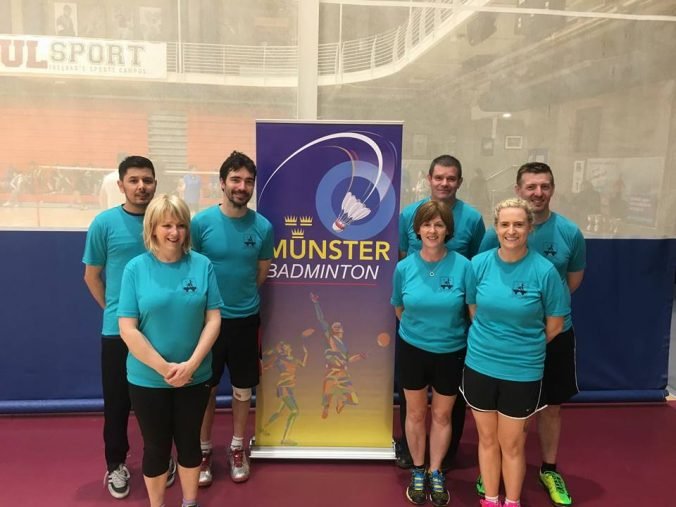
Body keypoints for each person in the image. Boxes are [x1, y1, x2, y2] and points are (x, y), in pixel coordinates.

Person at [477, 163, 585, 506]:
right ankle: (496, 469)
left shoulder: (569, 232)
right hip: (504, 344)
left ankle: (548, 469)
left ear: (552, 189)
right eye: (531, 186)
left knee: (551, 406)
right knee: (507, 417)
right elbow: (483, 288)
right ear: (519, 190)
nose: (538, 192)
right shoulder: (494, 235)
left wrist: (533, 327)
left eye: (545, 186)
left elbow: (571, 282)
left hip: (552, 334)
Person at [463, 198, 570, 507]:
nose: (512, 230)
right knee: (487, 440)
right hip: (480, 365)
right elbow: (473, 309)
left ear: (529, 228)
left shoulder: (545, 271)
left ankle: (512, 501)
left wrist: (521, 345)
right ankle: (490, 499)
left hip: (522, 371)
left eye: (519, 224)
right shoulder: (478, 264)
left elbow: (554, 325)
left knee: (511, 445)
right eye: (505, 224)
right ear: (496, 228)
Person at [118, 194, 222, 507]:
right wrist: (165, 369)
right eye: (166, 225)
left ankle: (190, 502)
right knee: (156, 448)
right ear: (152, 228)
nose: (174, 232)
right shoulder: (135, 269)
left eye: (180, 225)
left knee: (190, 443)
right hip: (148, 380)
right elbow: (127, 328)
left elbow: (213, 319)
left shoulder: (202, 265)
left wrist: (191, 365)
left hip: (195, 377)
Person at [83, 156, 172, 498]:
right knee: (118, 402)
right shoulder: (104, 224)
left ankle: (160, 457)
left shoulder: (167, 222)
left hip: (162, 329)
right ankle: (116, 464)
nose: (141, 186)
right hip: (118, 333)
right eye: (133, 180)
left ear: (155, 184)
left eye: (147, 180)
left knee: (160, 401)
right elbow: (91, 276)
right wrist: (116, 313)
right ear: (121, 185)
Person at [397, 154, 485, 470]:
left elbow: (478, 264)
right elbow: (403, 258)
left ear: (459, 182)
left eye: (451, 178)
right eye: (439, 177)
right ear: (429, 178)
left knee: (448, 406)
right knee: (413, 403)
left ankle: (444, 458)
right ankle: (413, 454)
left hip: (453, 326)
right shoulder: (409, 214)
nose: (444, 183)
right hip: (417, 322)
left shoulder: (472, 219)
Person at [191, 151, 274, 485]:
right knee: (206, 390)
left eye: (248, 181)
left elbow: (260, 272)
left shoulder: (263, 227)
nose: (242, 187)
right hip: (207, 324)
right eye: (236, 180)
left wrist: (239, 300)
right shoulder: (200, 224)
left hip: (245, 322)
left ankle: (238, 447)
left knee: (242, 390)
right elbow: (192, 270)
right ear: (222, 183)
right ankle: (203, 451)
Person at [391, 200, 475, 507]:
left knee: (441, 415)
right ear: (417, 230)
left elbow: (472, 311)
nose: (432, 230)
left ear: (448, 230)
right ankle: (417, 469)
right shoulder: (403, 268)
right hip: (413, 350)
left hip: (451, 352)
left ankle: (435, 470)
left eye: (439, 224)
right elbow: (399, 308)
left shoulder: (464, 267)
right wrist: (420, 332)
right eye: (427, 224)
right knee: (414, 414)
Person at [310, 293, 368, 419]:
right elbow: (321, 320)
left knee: (354, 400)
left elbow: (348, 359)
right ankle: (327, 407)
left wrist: (359, 356)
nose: (336, 327)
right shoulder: (330, 338)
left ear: (342, 329)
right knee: (327, 396)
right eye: (334, 326)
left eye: (338, 326)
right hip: (332, 372)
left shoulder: (344, 346)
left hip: (342, 373)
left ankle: (341, 399)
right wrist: (316, 303)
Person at [259, 332, 312, 445]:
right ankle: (285, 439)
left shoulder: (293, 359)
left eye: (288, 345)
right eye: (285, 346)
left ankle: (263, 428)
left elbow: (303, 364)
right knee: (295, 411)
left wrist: (306, 353)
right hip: (284, 387)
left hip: (289, 388)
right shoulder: (279, 359)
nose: (288, 346)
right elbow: (266, 366)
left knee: (279, 412)